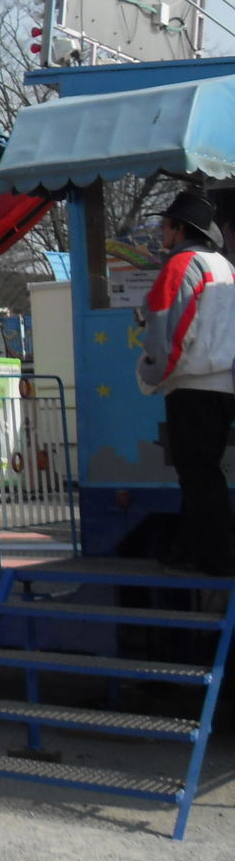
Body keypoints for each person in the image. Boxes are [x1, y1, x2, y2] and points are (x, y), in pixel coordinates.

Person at [135, 189, 235, 575]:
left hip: (191, 383)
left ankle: (216, 558)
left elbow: (171, 332)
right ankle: (188, 549)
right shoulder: (224, 266)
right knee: (201, 472)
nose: (161, 231)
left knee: (198, 475)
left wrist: (151, 372)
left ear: (180, 229)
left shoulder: (181, 264)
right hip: (223, 383)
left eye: (165, 225)